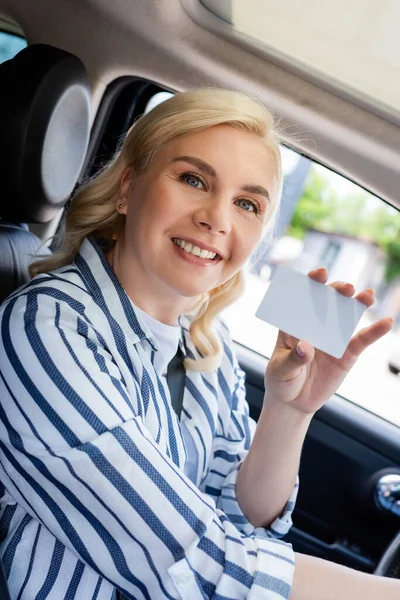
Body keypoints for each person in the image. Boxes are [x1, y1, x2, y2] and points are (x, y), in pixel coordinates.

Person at [0, 88, 398, 600]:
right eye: (193, 179)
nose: (218, 219)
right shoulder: (48, 328)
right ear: (127, 188)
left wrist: (290, 409)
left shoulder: (207, 339)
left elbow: (243, 516)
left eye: (248, 204)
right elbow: (200, 566)